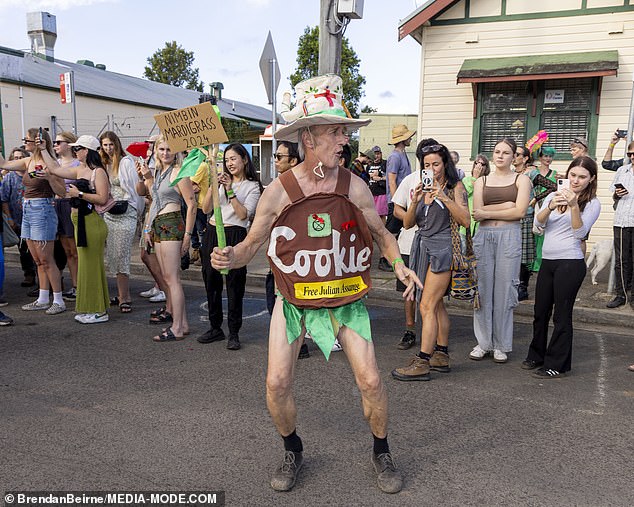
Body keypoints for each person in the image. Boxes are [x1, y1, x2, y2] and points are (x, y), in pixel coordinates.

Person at [210, 74, 421, 494]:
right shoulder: (279, 191)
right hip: (293, 301)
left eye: (345, 130)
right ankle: (293, 448)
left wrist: (398, 264)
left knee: (373, 381)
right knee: (276, 383)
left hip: (345, 301)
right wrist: (228, 257)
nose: (344, 139)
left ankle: (381, 451)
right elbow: (251, 245)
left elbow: (381, 234)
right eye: (335, 131)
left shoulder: (354, 185)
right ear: (308, 137)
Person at [391, 142, 469, 380]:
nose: (432, 169)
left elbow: (466, 220)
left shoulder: (455, 186)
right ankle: (441, 354)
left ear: (445, 163)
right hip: (422, 246)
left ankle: (423, 360)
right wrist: (414, 201)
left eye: (436, 164)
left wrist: (443, 196)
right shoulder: (419, 187)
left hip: (443, 249)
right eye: (427, 165)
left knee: (426, 305)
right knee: (436, 305)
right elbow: (406, 224)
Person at [523, 156, 600, 378]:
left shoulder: (592, 203)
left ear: (591, 179)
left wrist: (574, 206)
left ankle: (557, 364)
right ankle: (536, 355)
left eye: (582, 177)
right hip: (548, 261)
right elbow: (537, 226)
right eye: (573, 175)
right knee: (540, 312)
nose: (576, 181)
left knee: (561, 315)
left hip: (570, 262)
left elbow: (580, 233)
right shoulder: (553, 196)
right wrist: (550, 207)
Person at [470, 137, 531, 363]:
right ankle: (483, 342)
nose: (500, 155)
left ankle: (501, 344)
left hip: (509, 236)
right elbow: (477, 212)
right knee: (483, 290)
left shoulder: (521, 179)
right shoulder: (482, 181)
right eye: (497, 151)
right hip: (484, 236)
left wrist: (489, 211)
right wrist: (506, 206)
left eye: (506, 152)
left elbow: (520, 212)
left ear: (514, 156)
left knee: (505, 291)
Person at [198, 143, 262, 350]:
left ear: (244, 159)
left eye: (233, 159)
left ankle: (234, 332)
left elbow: (244, 214)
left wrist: (230, 191)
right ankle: (215, 327)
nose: (229, 163)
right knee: (211, 281)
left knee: (235, 284)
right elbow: (206, 208)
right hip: (212, 231)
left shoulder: (252, 186)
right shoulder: (220, 180)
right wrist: (214, 186)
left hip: (235, 234)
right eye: (226, 160)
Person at [0, 129, 67, 315]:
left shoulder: (50, 163)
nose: (25, 143)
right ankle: (43, 298)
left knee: (46, 259)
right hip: (28, 210)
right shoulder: (28, 161)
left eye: (27, 140)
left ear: (38, 141)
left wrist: (48, 177)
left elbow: (62, 192)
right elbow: (4, 163)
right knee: (37, 259)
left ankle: (58, 300)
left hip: (43, 209)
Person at [47, 135, 112, 323]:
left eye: (79, 148)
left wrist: (80, 194)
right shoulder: (79, 169)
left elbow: (102, 198)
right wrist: (44, 148)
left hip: (91, 222)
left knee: (91, 267)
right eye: (75, 149)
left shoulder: (97, 171)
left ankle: (99, 310)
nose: (75, 151)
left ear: (88, 151)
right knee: (86, 267)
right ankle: (92, 307)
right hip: (79, 221)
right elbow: (55, 169)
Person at [139, 135, 196, 340]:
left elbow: (191, 204)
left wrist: (188, 236)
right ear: (156, 151)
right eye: (161, 149)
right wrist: (147, 228)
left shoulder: (179, 171)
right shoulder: (159, 171)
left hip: (172, 223)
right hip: (158, 224)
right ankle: (183, 323)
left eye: (169, 149)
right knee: (167, 278)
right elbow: (155, 201)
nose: (165, 153)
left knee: (173, 279)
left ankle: (178, 327)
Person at [390, 138, 439, 350]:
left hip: (435, 244)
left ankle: (435, 334)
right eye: (426, 160)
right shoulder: (410, 180)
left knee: (433, 293)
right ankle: (410, 330)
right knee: (409, 290)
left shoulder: (446, 183)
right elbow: (396, 209)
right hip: (409, 242)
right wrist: (413, 214)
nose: (430, 166)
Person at [266, 141, 309, 358]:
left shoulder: (299, 187)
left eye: (279, 156)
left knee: (293, 300)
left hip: (297, 258)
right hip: (279, 255)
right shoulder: (277, 186)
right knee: (279, 298)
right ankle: (292, 343)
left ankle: (298, 344)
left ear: (293, 160)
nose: (275, 160)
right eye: (275, 156)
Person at [99, 131, 143, 313]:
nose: (108, 148)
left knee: (122, 254)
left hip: (126, 212)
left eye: (111, 144)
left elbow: (135, 190)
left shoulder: (126, 162)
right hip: (110, 214)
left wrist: (135, 210)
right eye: (105, 145)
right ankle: (120, 294)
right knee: (113, 256)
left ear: (117, 144)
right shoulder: (104, 164)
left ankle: (126, 297)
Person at [1, 147, 36, 288]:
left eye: (20, 157)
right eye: (15, 158)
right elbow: (4, 199)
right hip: (16, 219)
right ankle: (28, 274)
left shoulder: (32, 174)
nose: (18, 160)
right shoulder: (9, 177)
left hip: (33, 218)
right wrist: (9, 219)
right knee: (23, 249)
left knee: (35, 249)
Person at [382, 124, 416, 272]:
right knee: (391, 230)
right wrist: (397, 201)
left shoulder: (402, 155)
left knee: (397, 229)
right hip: (397, 200)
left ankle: (390, 258)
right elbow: (391, 180)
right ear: (403, 139)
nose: (411, 138)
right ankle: (384, 259)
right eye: (409, 137)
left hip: (403, 199)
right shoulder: (395, 156)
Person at [606, 143, 634, 309]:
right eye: (630, 154)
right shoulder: (621, 171)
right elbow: (613, 195)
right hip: (622, 221)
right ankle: (621, 294)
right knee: (621, 260)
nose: (632, 157)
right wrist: (617, 194)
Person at [53, 131, 80, 301]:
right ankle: (75, 284)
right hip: (57, 205)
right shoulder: (55, 163)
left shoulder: (77, 163)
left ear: (68, 144)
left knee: (75, 249)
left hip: (71, 205)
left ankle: (79, 285)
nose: (55, 145)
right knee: (67, 250)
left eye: (59, 142)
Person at [528, 146, 557, 273]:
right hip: (533, 205)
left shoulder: (555, 174)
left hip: (547, 206)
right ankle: (531, 263)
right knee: (532, 234)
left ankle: (541, 263)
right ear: (540, 157)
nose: (548, 159)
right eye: (545, 156)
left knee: (544, 235)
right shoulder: (533, 172)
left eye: (550, 156)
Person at [513, 145, 536, 300]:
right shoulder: (511, 174)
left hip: (526, 217)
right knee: (513, 252)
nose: (514, 156)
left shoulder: (532, 173)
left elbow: (549, 188)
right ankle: (513, 284)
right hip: (511, 216)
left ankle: (523, 286)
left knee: (525, 254)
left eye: (517, 154)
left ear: (525, 158)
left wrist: (533, 201)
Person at [367, 145, 388, 223]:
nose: (376, 156)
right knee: (372, 215)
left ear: (381, 154)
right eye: (375, 154)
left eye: (378, 153)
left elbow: (390, 177)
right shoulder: (369, 165)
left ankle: (383, 233)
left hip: (381, 192)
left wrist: (380, 178)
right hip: (370, 193)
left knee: (381, 215)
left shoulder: (385, 163)